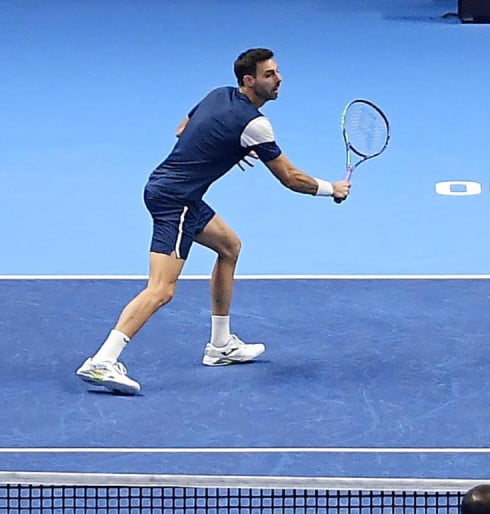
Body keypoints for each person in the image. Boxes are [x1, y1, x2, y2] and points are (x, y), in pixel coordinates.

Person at [75, 48, 351, 396]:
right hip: (176, 201)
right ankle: (102, 360)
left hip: (172, 191)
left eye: (277, 72)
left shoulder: (218, 94)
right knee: (161, 290)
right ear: (249, 81)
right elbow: (291, 178)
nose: (278, 79)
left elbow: (183, 129)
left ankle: (220, 346)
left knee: (229, 246)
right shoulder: (255, 125)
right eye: (269, 75)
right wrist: (332, 190)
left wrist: (230, 145)